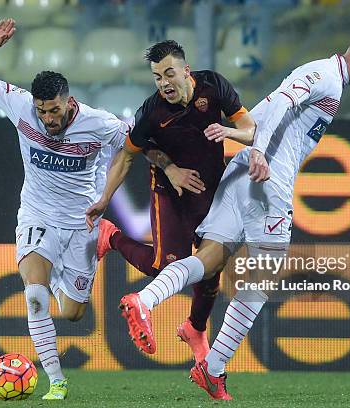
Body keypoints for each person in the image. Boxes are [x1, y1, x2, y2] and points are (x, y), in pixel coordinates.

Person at [117, 31, 350, 400]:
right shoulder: (325, 75)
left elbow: (267, 111)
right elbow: (279, 102)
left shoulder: (330, 80)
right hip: (267, 179)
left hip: (241, 171)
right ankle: (212, 369)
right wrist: (261, 150)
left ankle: (145, 300)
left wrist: (247, 146)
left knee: (210, 259)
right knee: (261, 280)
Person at [0, 19, 129, 400]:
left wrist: (106, 196)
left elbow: (131, 150)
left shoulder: (99, 124)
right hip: (37, 215)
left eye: (53, 111)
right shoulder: (20, 105)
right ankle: (57, 381)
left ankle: (78, 258)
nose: (48, 120)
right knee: (34, 295)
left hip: (83, 223)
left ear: (69, 102)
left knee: (72, 313)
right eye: (42, 111)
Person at [86, 40, 257, 361]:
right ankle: (112, 237)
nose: (164, 83)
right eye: (157, 77)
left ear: (186, 71)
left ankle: (195, 328)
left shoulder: (215, 87)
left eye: (169, 74)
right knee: (164, 268)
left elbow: (251, 131)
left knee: (211, 267)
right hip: (170, 192)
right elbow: (127, 156)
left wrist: (228, 132)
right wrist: (104, 198)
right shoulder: (152, 112)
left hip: (210, 190)